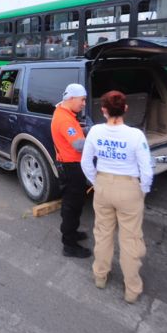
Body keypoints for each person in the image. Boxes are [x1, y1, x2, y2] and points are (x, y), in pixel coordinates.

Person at [81, 90, 153, 304]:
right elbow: (146, 169)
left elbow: (86, 163)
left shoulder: (95, 131)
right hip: (129, 188)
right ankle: (131, 289)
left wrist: (97, 182)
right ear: (125, 109)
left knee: (103, 233)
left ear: (103, 110)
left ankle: (100, 275)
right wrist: (143, 190)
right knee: (130, 239)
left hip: (103, 186)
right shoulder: (135, 135)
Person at [50, 83, 91, 258]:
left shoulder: (63, 113)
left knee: (74, 203)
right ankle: (69, 245)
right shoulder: (65, 119)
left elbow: (73, 134)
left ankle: (71, 233)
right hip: (71, 167)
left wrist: (88, 130)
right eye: (82, 100)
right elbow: (79, 145)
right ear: (72, 98)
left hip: (70, 166)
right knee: (72, 206)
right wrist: (98, 138)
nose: (84, 104)